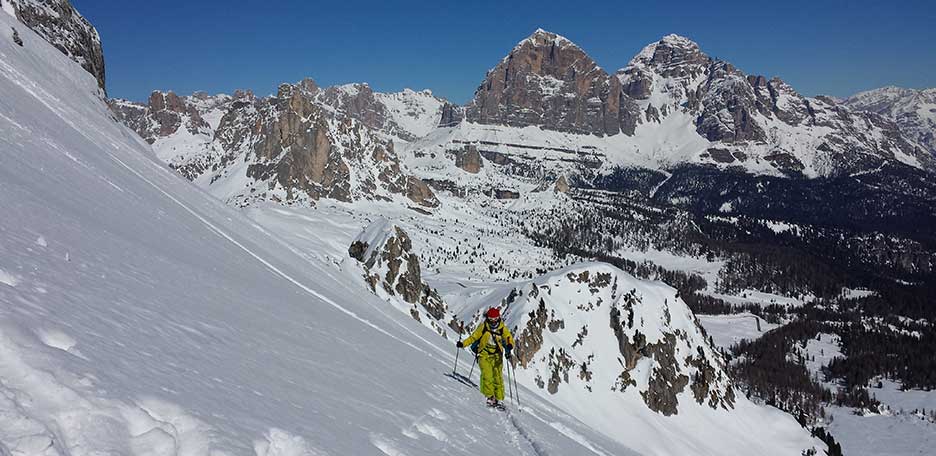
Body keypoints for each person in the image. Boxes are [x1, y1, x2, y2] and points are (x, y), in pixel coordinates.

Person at [457, 307, 514, 408]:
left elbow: (508, 337)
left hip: (497, 355)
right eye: (491, 319)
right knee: (487, 375)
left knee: (498, 377)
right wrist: (463, 344)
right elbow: (473, 337)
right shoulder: (483, 327)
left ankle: (499, 398)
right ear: (488, 318)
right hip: (484, 354)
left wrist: (509, 345)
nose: (493, 321)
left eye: (495, 319)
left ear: (498, 318)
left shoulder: (502, 328)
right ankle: (490, 396)